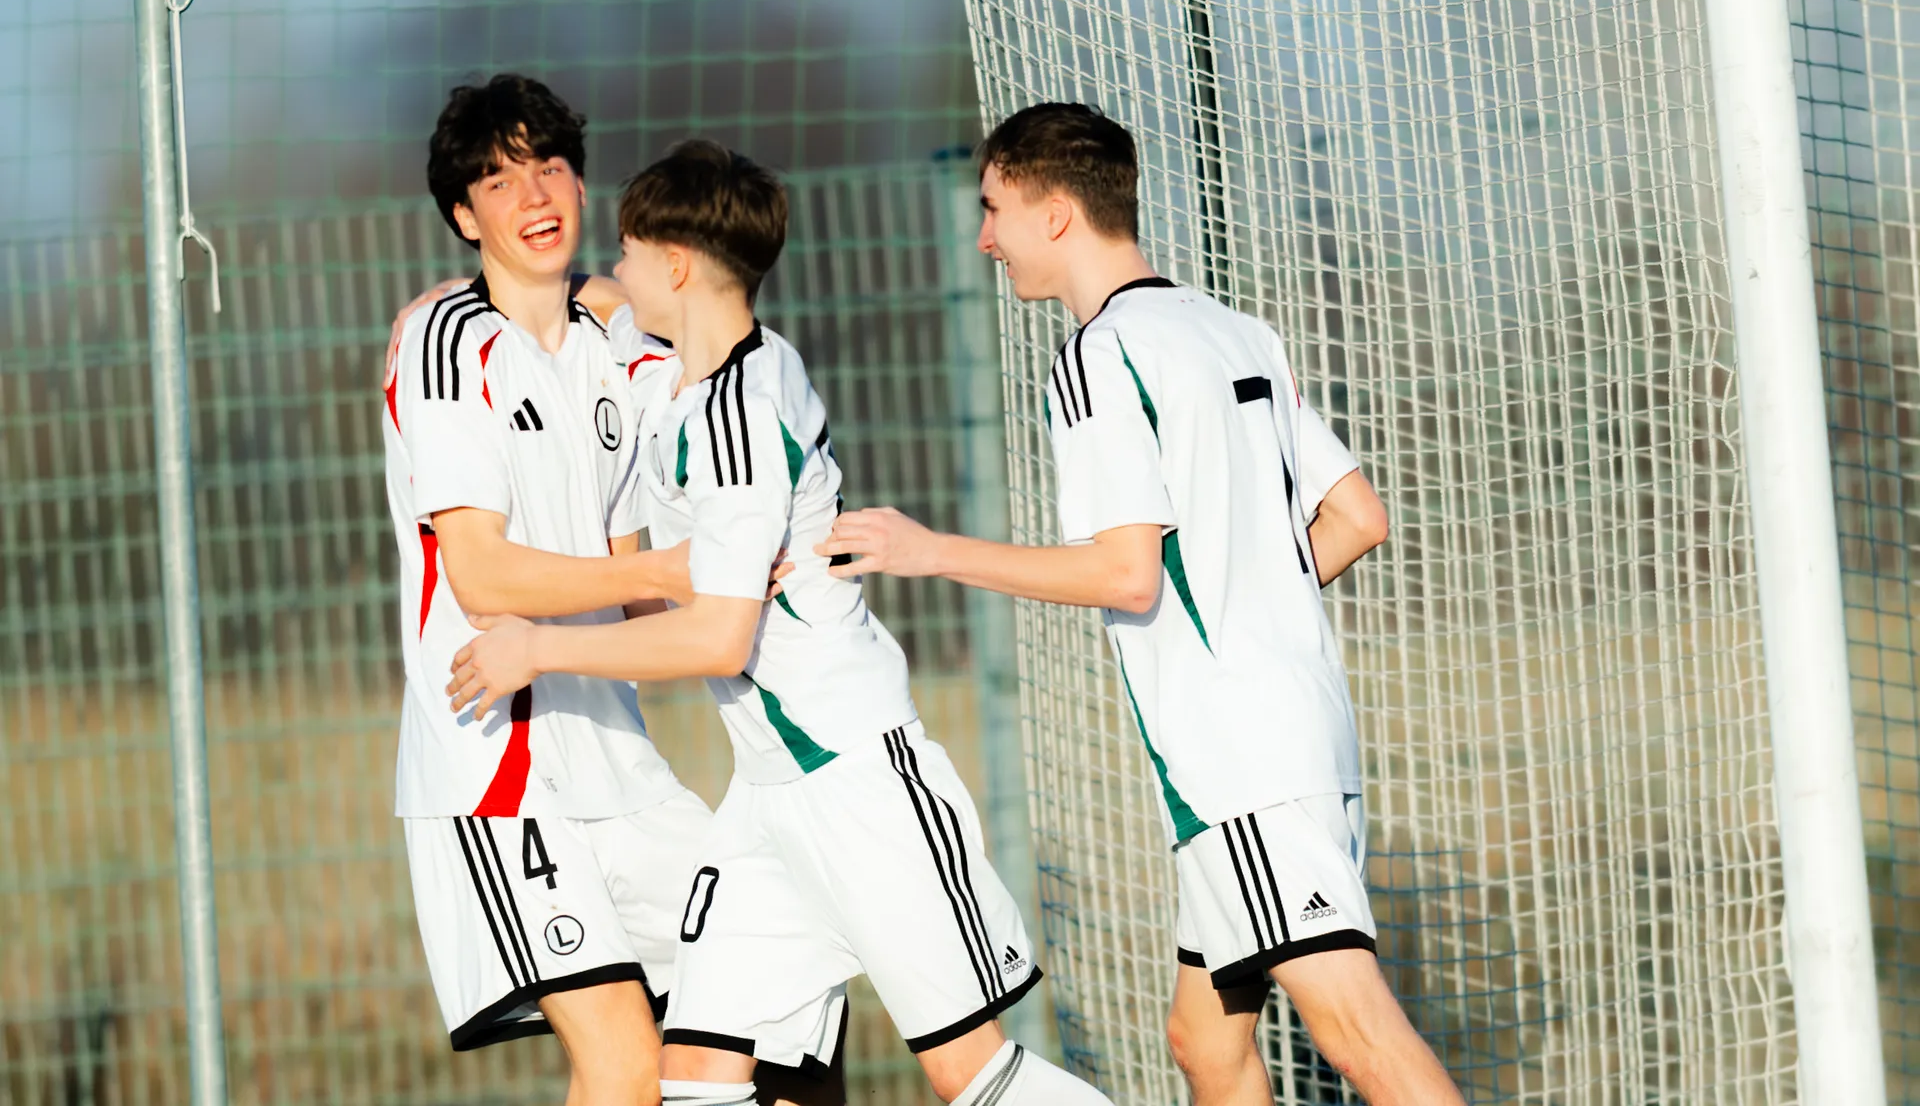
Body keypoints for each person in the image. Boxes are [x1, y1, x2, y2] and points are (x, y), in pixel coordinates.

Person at [814, 103, 1467, 1106]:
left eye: (993, 209)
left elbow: (1126, 573)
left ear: (1057, 214)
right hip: (1303, 733)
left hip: (1239, 759)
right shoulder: (1232, 327)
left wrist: (930, 549)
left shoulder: (1099, 356)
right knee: (1205, 1041)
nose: (983, 237)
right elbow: (1358, 515)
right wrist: (1243, 595)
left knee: (1361, 1038)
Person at [449, 140, 1114, 1106]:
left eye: (632, 254)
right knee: (697, 1077)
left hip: (858, 785)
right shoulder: (687, 370)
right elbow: (602, 304)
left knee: (973, 1079)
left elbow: (718, 636)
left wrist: (536, 645)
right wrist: (469, 295)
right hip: (766, 800)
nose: (618, 271)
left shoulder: (742, 417)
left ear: (675, 267)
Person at [385, 73, 718, 1106]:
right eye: (496, 177)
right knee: (622, 1063)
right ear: (462, 214)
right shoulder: (445, 346)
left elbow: (639, 599)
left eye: (550, 164)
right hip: (501, 770)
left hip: (618, 755)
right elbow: (482, 576)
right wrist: (661, 569)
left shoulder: (614, 346)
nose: (532, 192)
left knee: (779, 996)